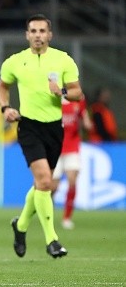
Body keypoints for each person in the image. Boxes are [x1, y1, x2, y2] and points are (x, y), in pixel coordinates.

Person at [0, 13, 84, 259]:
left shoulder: (62, 60)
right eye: (33, 31)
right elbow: (2, 86)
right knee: (46, 181)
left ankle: (21, 225)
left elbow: (77, 92)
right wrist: (6, 108)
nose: (37, 35)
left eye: (42, 31)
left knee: (42, 185)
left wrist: (62, 90)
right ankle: (52, 240)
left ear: (49, 35)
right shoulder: (15, 62)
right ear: (27, 35)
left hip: (55, 128)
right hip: (29, 126)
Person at [52, 97, 92, 230]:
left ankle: (67, 218)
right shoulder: (53, 98)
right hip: (55, 148)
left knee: (72, 181)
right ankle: (46, 213)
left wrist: (87, 122)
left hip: (72, 147)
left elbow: (84, 114)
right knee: (53, 187)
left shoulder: (78, 99)